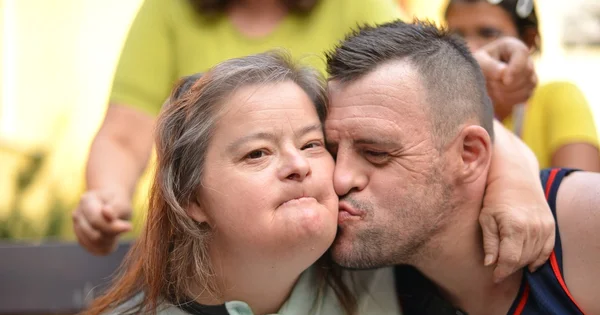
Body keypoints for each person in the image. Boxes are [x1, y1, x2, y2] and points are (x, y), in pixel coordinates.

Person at [61, 51, 427, 315]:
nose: (298, 164)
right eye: (257, 153)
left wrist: (489, 173)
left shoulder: (379, 269)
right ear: (192, 199)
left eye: (312, 144)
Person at [72, 0, 539, 257]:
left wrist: (515, 181)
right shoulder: (167, 12)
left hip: (328, 254)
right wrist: (106, 195)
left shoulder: (353, 3)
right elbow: (125, 132)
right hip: (209, 255)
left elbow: (434, 95)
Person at [325, 20, 600, 315]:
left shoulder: (585, 224)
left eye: (376, 153)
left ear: (470, 155)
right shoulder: (369, 253)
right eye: (329, 151)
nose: (339, 180)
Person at [444, 0, 600, 171]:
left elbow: (582, 190)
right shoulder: (442, 105)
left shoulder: (559, 97)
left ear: (527, 40)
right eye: (456, 35)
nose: (470, 48)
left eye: (488, 33)